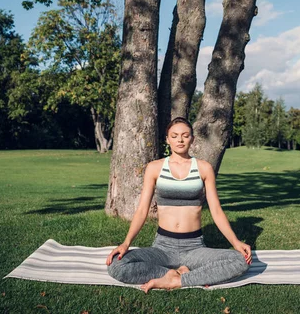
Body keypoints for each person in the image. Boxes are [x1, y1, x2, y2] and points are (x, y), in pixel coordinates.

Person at [106, 117, 252, 292]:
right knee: (117, 266)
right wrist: (126, 243)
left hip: (194, 248)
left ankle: (178, 280)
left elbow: (216, 211)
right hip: (162, 247)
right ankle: (172, 274)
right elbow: (142, 210)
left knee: (240, 261)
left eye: (185, 135)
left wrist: (236, 242)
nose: (180, 140)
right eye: (174, 136)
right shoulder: (155, 167)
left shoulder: (204, 168)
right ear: (167, 139)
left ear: (192, 139)